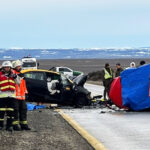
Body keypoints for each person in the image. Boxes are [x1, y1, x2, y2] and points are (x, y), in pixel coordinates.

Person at [12, 60, 31, 130]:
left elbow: (23, 86)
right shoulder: (13, 74)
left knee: (23, 110)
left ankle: (24, 125)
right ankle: (15, 125)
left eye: (20, 66)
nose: (19, 67)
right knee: (15, 111)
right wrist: (17, 77)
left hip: (22, 97)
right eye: (18, 66)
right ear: (14, 66)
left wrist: (26, 93)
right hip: (15, 96)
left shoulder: (21, 74)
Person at [0, 61, 19, 131]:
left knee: (10, 112)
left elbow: (19, 82)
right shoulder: (0, 74)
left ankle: (9, 126)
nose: (7, 68)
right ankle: (0, 125)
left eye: (8, 67)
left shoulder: (14, 75)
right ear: (3, 68)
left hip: (11, 96)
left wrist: (16, 77)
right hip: (2, 96)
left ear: (10, 68)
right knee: (1, 112)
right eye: (5, 67)